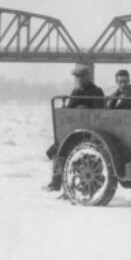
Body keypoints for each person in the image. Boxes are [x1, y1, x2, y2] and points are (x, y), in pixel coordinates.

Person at [44, 62, 105, 192]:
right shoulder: (75, 91)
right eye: (77, 77)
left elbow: (99, 112)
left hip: (89, 131)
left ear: (88, 77)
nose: (79, 79)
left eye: (82, 76)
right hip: (74, 131)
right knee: (58, 150)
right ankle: (56, 182)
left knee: (68, 151)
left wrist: (83, 109)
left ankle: (72, 186)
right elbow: (69, 109)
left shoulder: (96, 91)